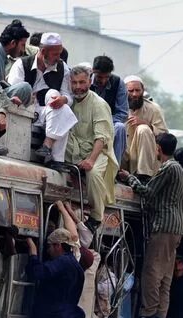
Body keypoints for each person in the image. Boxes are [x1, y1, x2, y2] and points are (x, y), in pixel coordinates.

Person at [117, 133, 183, 318]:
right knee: (165, 274)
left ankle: (148, 313)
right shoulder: (180, 170)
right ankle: (160, 316)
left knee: (151, 271)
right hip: (175, 230)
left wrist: (129, 178)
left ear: (158, 148)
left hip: (163, 227)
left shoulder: (168, 168)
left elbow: (148, 191)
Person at [65, 64, 118, 232]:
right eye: (74, 83)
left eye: (82, 82)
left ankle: (96, 217)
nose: (78, 87)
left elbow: (101, 138)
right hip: (74, 149)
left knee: (93, 173)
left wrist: (90, 160)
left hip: (97, 152)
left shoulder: (98, 104)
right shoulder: (69, 101)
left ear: (89, 82)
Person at [8, 32, 73, 164]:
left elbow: (69, 96)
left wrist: (63, 100)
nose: (58, 58)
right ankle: (51, 152)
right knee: (62, 111)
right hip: (22, 112)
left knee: (62, 106)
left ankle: (50, 151)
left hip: (46, 113)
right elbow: (12, 93)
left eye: (60, 53)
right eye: (55, 54)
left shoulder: (62, 68)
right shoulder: (21, 65)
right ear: (43, 51)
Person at [123, 75, 168, 178]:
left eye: (137, 90)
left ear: (143, 91)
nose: (134, 94)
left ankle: (144, 175)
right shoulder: (118, 109)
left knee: (143, 129)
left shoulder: (154, 109)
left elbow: (165, 137)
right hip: (125, 157)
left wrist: (148, 125)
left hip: (147, 159)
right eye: (131, 91)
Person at [91, 55, 128, 163]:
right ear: (93, 72)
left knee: (120, 127)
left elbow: (123, 112)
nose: (103, 80)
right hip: (88, 121)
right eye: (100, 77)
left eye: (106, 77)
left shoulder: (118, 83)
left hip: (110, 122)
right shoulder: (86, 80)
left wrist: (104, 122)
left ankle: (114, 166)